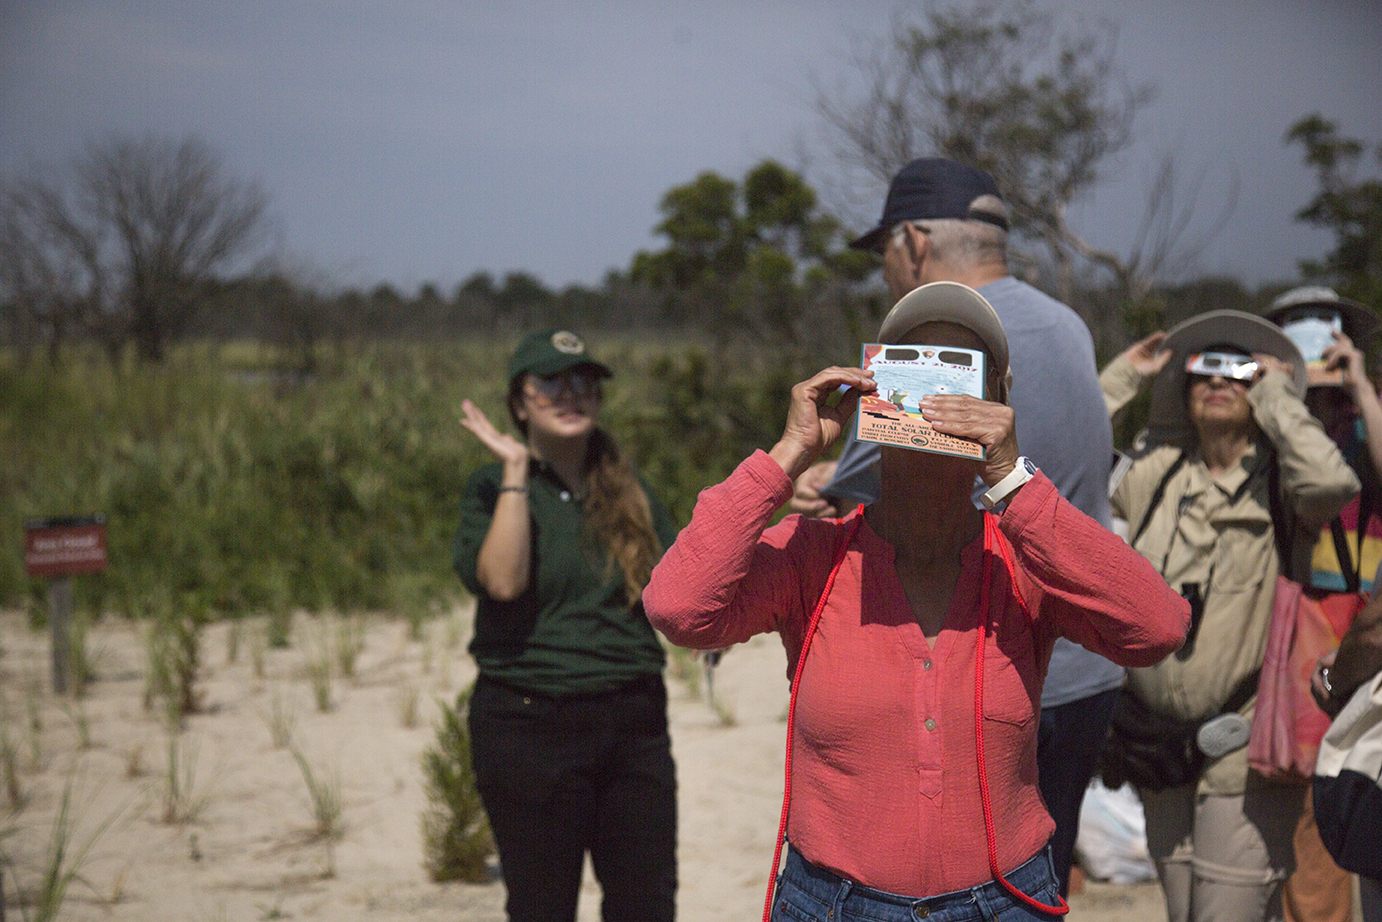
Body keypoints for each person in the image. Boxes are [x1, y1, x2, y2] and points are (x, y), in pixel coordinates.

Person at [644, 281, 1189, 921]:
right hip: (833, 905)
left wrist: (1015, 481)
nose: (932, 396)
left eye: (959, 377)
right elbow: (679, 607)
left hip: (1007, 901)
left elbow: (1157, 629)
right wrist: (790, 453)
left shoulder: (1024, 561)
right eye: (912, 368)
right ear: (874, 388)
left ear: (999, 403)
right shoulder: (812, 558)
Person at [790, 157, 1123, 895]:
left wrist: (816, 479)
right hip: (1087, 671)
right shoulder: (1069, 326)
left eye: (883, 252)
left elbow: (871, 492)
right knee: (1037, 879)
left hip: (993, 672)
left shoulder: (940, 350)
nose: (884, 271)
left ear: (912, 241)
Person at [1100, 310, 1361, 922]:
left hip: (1244, 741)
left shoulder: (1281, 484)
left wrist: (1276, 393)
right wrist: (1122, 378)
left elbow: (1331, 480)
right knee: (1187, 911)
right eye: (1203, 369)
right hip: (1154, 741)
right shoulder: (1155, 471)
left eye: (1239, 372)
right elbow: (1060, 460)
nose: (1219, 382)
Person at [453, 329, 679, 922]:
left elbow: (682, 583)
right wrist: (513, 471)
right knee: (542, 906)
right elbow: (502, 582)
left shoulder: (629, 488)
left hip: (633, 721)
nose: (570, 393)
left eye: (584, 380)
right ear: (519, 402)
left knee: (646, 906)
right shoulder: (489, 487)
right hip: (528, 721)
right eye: (549, 382)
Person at [1266, 285, 1382, 922]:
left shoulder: (1369, 420)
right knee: (1305, 806)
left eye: (1325, 332)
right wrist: (1283, 394)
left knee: (1343, 800)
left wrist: (1360, 388)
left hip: (1363, 622)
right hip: (1298, 622)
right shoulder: (1272, 419)